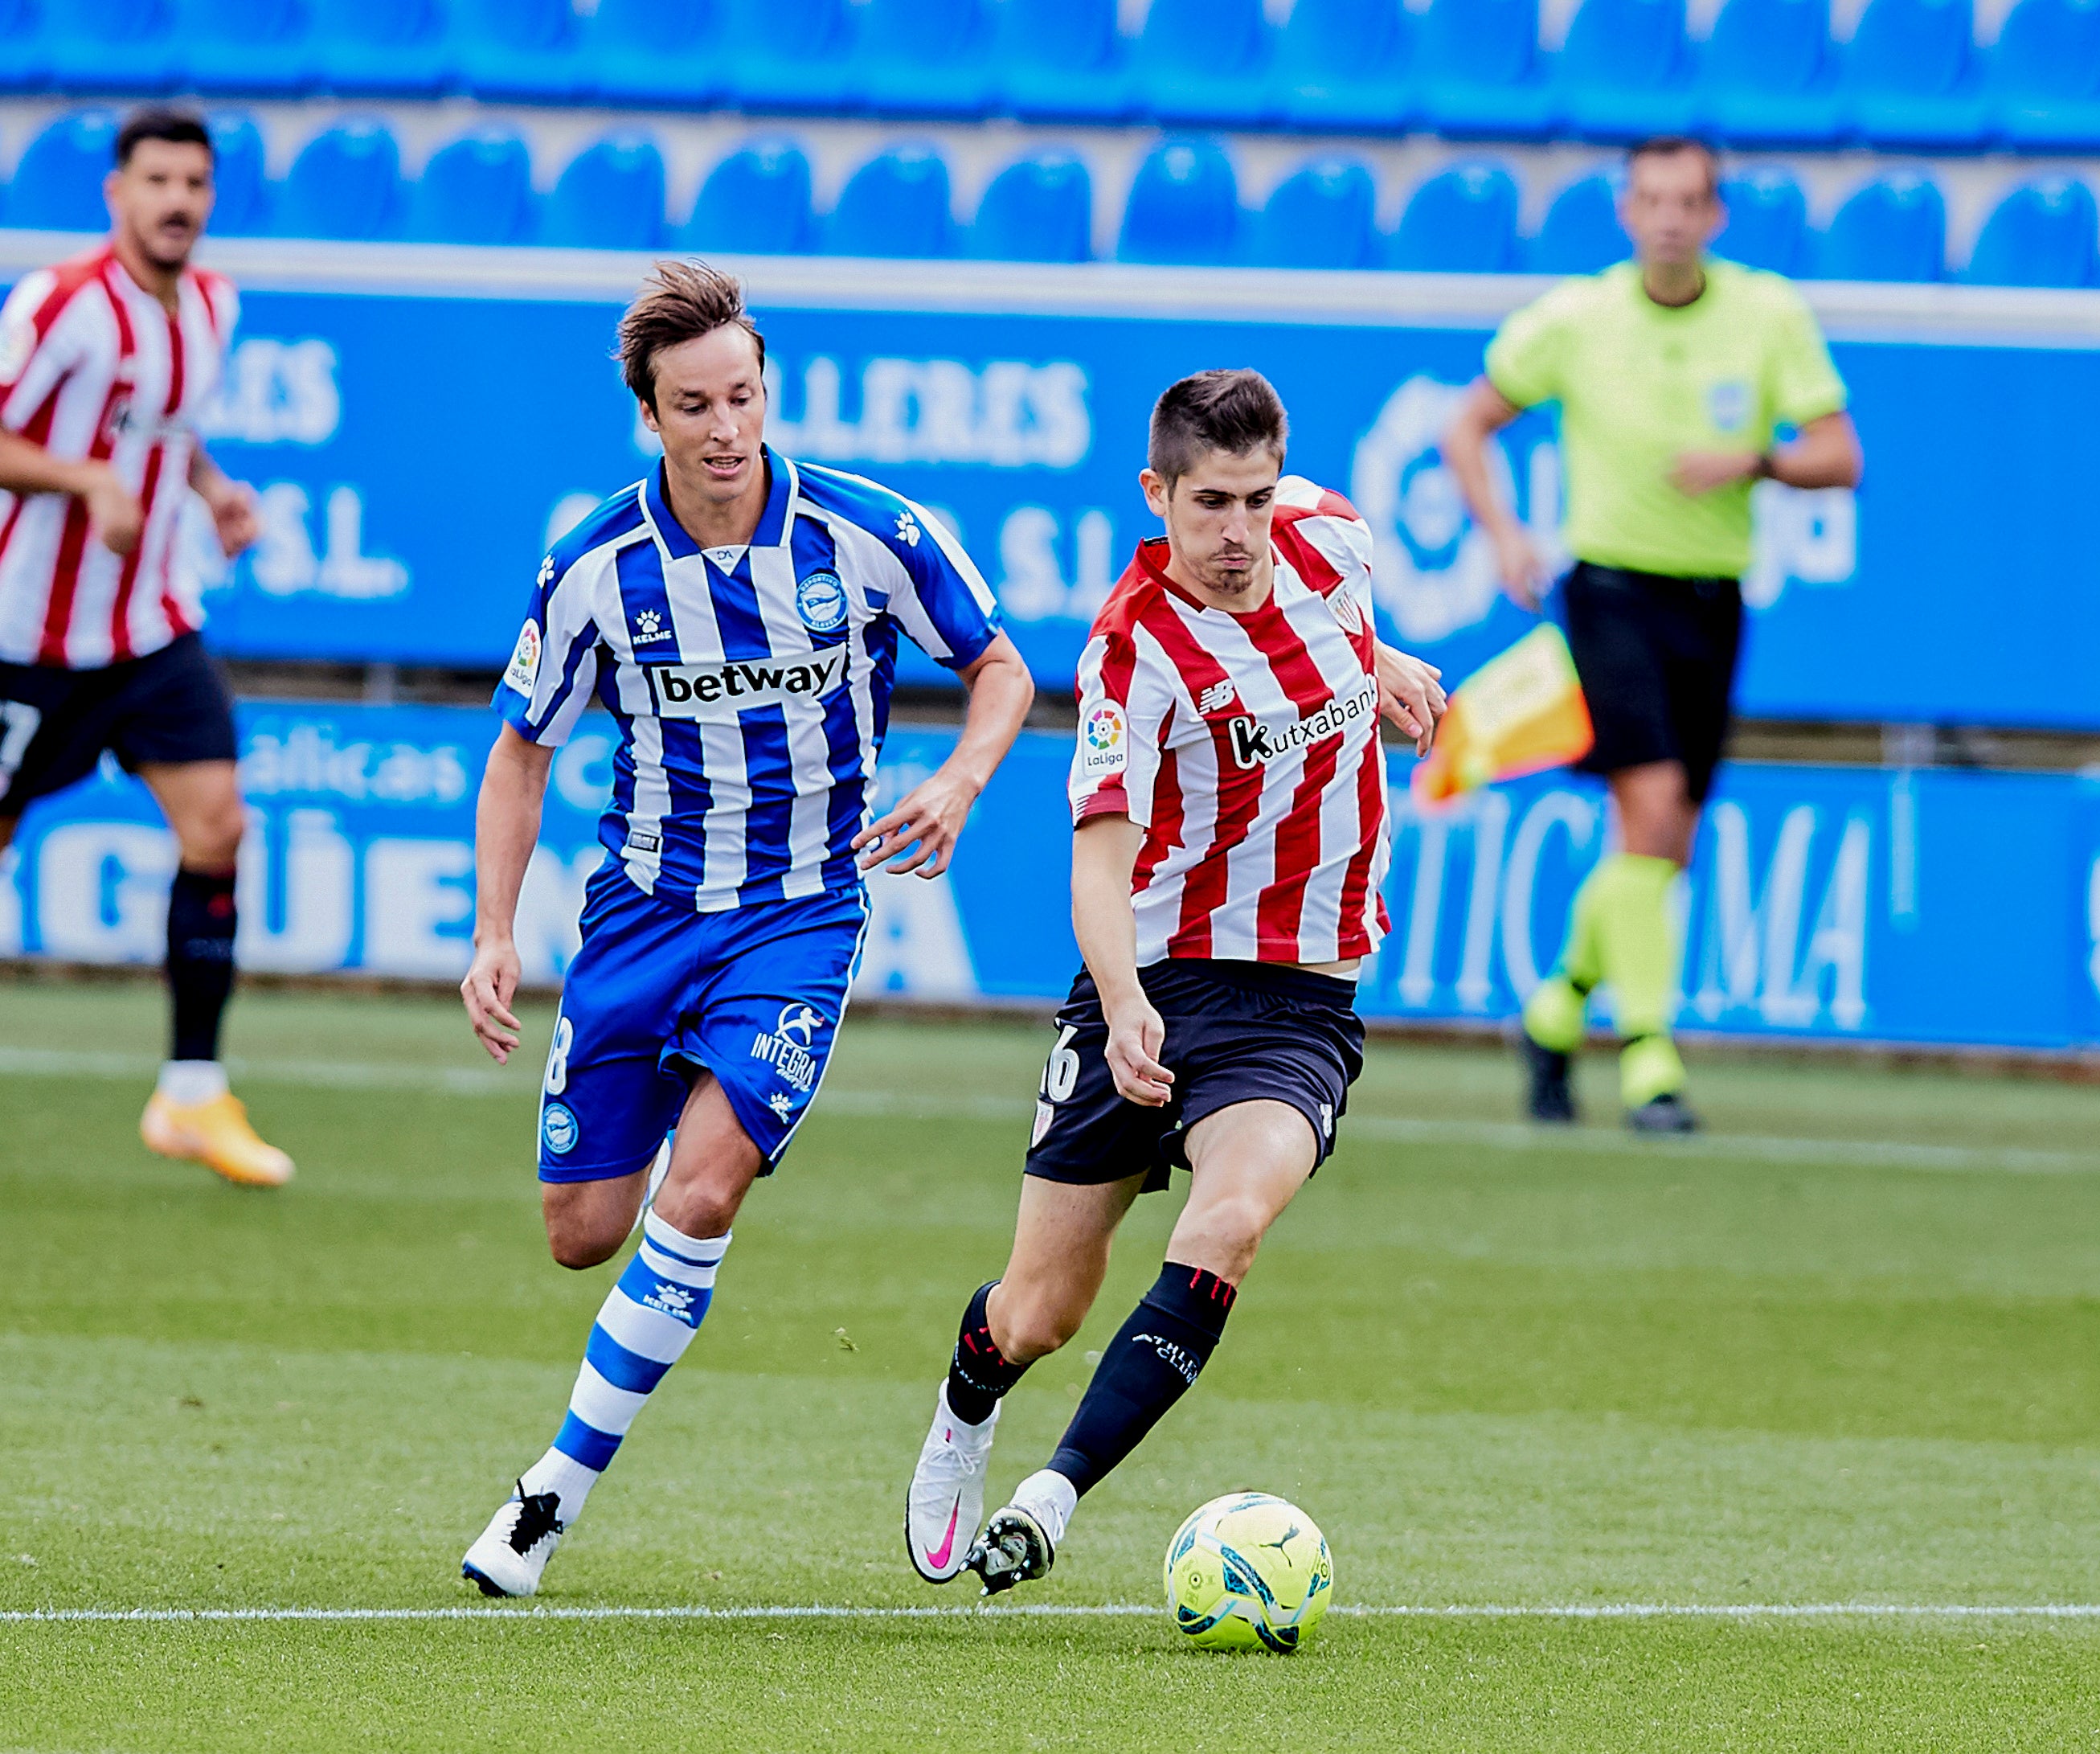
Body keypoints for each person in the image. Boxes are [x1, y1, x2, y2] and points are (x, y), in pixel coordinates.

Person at [455, 262, 1034, 1597]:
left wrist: (956, 779)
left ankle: (550, 1495)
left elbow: (998, 663)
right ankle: (666, 1191)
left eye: (743, 396)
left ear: (768, 392)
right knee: (582, 1230)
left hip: (802, 914)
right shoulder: (598, 566)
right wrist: (497, 931)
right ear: (650, 418)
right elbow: (519, 752)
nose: (726, 426)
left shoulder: (865, 531)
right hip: (641, 918)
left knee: (702, 1190)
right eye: (694, 405)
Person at [903, 369, 1448, 1596]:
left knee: (1231, 1219)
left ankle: (1055, 1493)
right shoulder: (1130, 650)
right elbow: (1096, 865)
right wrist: (1126, 999)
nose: (1239, 533)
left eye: (1257, 499)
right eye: (1210, 504)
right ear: (1157, 495)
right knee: (1039, 1308)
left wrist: (1386, 658)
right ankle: (968, 1400)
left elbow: (1331, 625)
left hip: (1297, 1001)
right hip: (1144, 983)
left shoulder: (1335, 537)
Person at [1441, 133, 1863, 1134]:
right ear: (1626, 213)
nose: (1671, 217)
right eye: (1653, 199)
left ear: (1715, 217)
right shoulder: (1578, 320)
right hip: (1610, 589)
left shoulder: (1767, 315)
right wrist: (1505, 536)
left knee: (1666, 842)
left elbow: (1841, 455)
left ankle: (1552, 1013)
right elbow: (1467, 424)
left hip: (1712, 600)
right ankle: (1650, 1060)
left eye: (1690, 201)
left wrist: (1756, 462)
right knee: (1656, 801)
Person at [0, 109, 281, 1185]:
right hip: (24, 636)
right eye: (157, 180)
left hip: (149, 626)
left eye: (195, 184)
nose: (177, 201)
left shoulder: (211, 303)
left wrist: (211, 492)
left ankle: (192, 1095)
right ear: (115, 192)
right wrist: (83, 483)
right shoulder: (60, 305)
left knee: (218, 828)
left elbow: (165, 423)